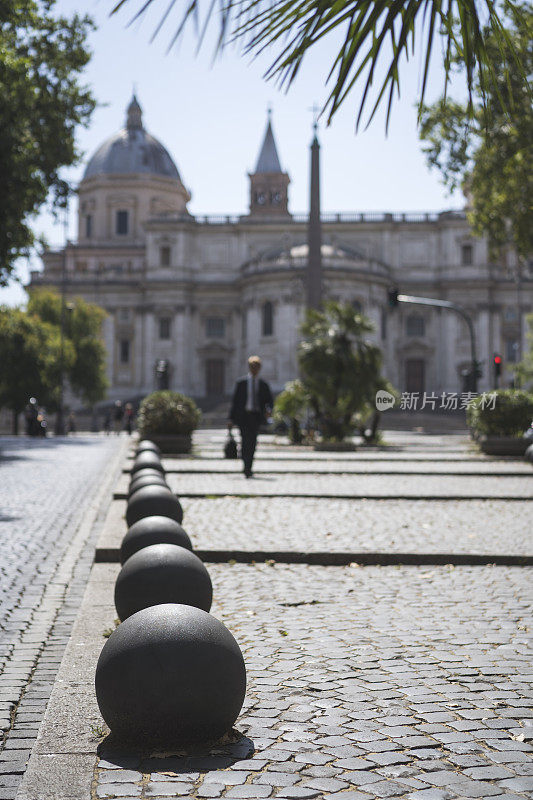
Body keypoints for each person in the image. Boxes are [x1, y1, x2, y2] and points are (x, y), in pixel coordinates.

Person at [228, 355, 273, 478]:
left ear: (259, 368)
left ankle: (249, 467)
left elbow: (269, 400)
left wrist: (269, 410)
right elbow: (235, 402)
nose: (254, 369)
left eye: (256, 367)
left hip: (256, 416)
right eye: (252, 367)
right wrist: (231, 419)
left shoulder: (263, 384)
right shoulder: (241, 383)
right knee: (244, 441)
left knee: (252, 442)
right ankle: (245, 465)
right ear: (249, 367)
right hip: (243, 417)